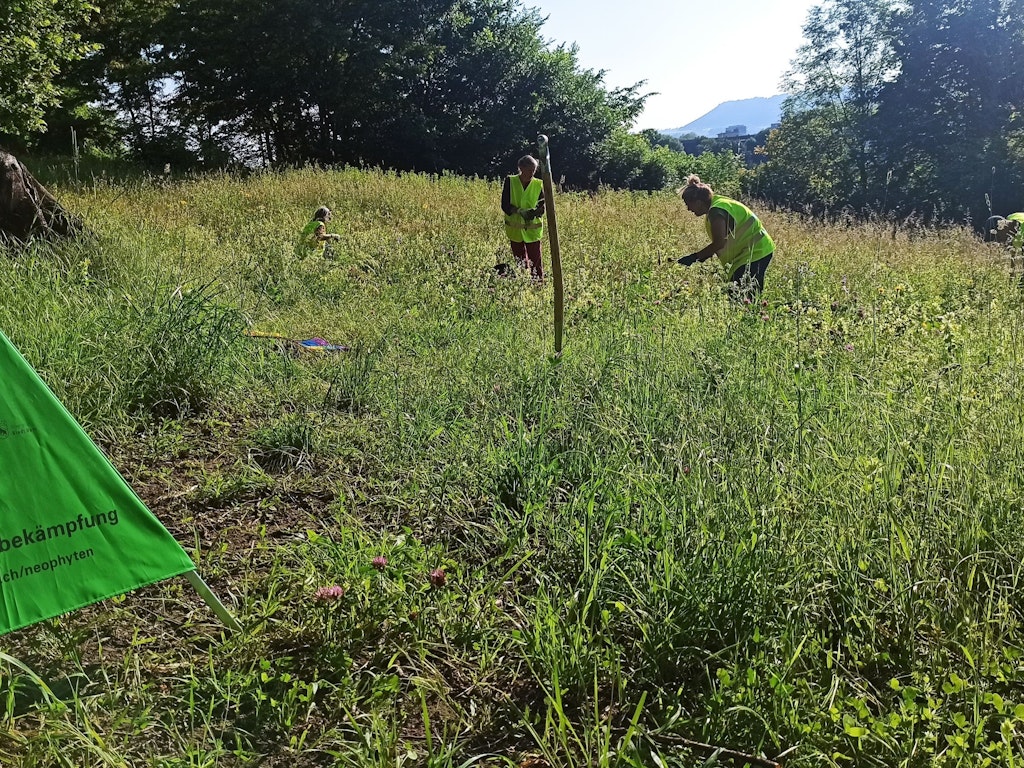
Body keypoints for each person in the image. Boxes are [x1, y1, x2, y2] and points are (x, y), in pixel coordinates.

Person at [676, 175, 775, 297]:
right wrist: (702, 257)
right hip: (752, 252)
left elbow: (719, 243)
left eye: (689, 204)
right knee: (744, 296)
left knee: (740, 297)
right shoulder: (717, 204)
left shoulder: (717, 211)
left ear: (698, 202)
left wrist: (694, 257)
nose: (688, 209)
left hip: (756, 252)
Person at [501, 155, 546, 279]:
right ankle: (522, 281)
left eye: (534, 170)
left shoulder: (538, 184)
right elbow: (505, 205)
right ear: (521, 168)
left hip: (533, 230)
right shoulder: (510, 181)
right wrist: (519, 211)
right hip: (514, 230)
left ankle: (538, 284)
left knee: (536, 260)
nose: (532, 173)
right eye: (529, 170)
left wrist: (535, 212)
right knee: (519, 261)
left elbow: (542, 205)